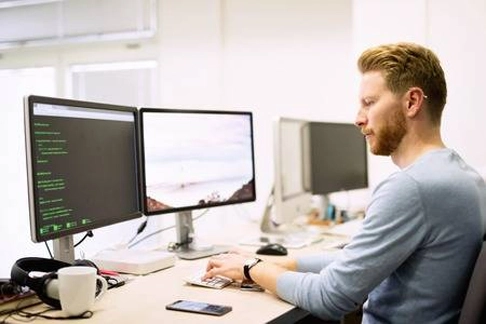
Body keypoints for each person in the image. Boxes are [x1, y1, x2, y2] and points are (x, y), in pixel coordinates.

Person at [203, 42, 486, 323]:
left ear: (412, 102)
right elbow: (356, 264)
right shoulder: (466, 178)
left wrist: (253, 268)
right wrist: (278, 262)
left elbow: (330, 298)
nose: (358, 119)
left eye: (369, 103)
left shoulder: (412, 188)